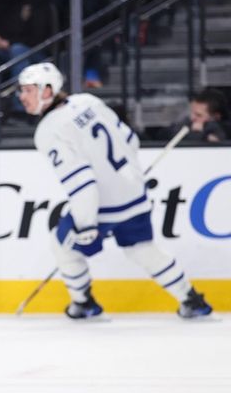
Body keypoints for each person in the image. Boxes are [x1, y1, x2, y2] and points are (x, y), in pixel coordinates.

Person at [17, 62, 214, 320]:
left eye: (28, 90)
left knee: (62, 245)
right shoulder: (88, 101)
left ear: (47, 91)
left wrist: (86, 226)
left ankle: (83, 303)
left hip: (101, 207)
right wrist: (125, 176)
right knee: (142, 248)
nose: (22, 97)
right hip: (134, 193)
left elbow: (82, 181)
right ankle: (191, 300)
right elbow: (130, 139)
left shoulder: (48, 131)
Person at [163, 88, 229, 143]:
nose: (192, 117)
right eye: (192, 112)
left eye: (199, 115)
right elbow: (168, 134)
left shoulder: (223, 130)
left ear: (215, 117)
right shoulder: (187, 123)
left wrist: (200, 134)